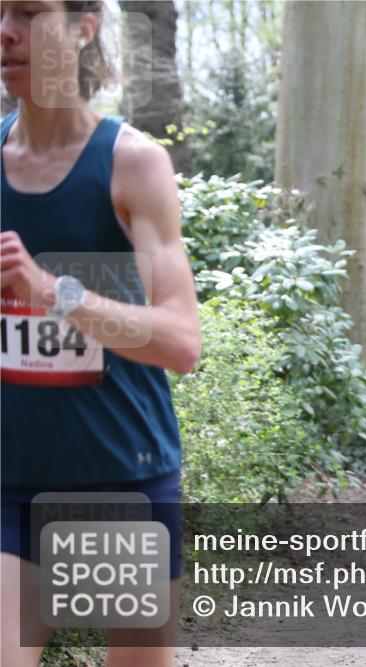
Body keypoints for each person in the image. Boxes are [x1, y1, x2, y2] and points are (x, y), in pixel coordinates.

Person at [1, 2, 201, 666]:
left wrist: (56, 293)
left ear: (85, 26)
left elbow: (180, 341)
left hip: (119, 482)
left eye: (28, 12)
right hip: (11, 487)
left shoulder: (132, 164)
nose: (6, 31)